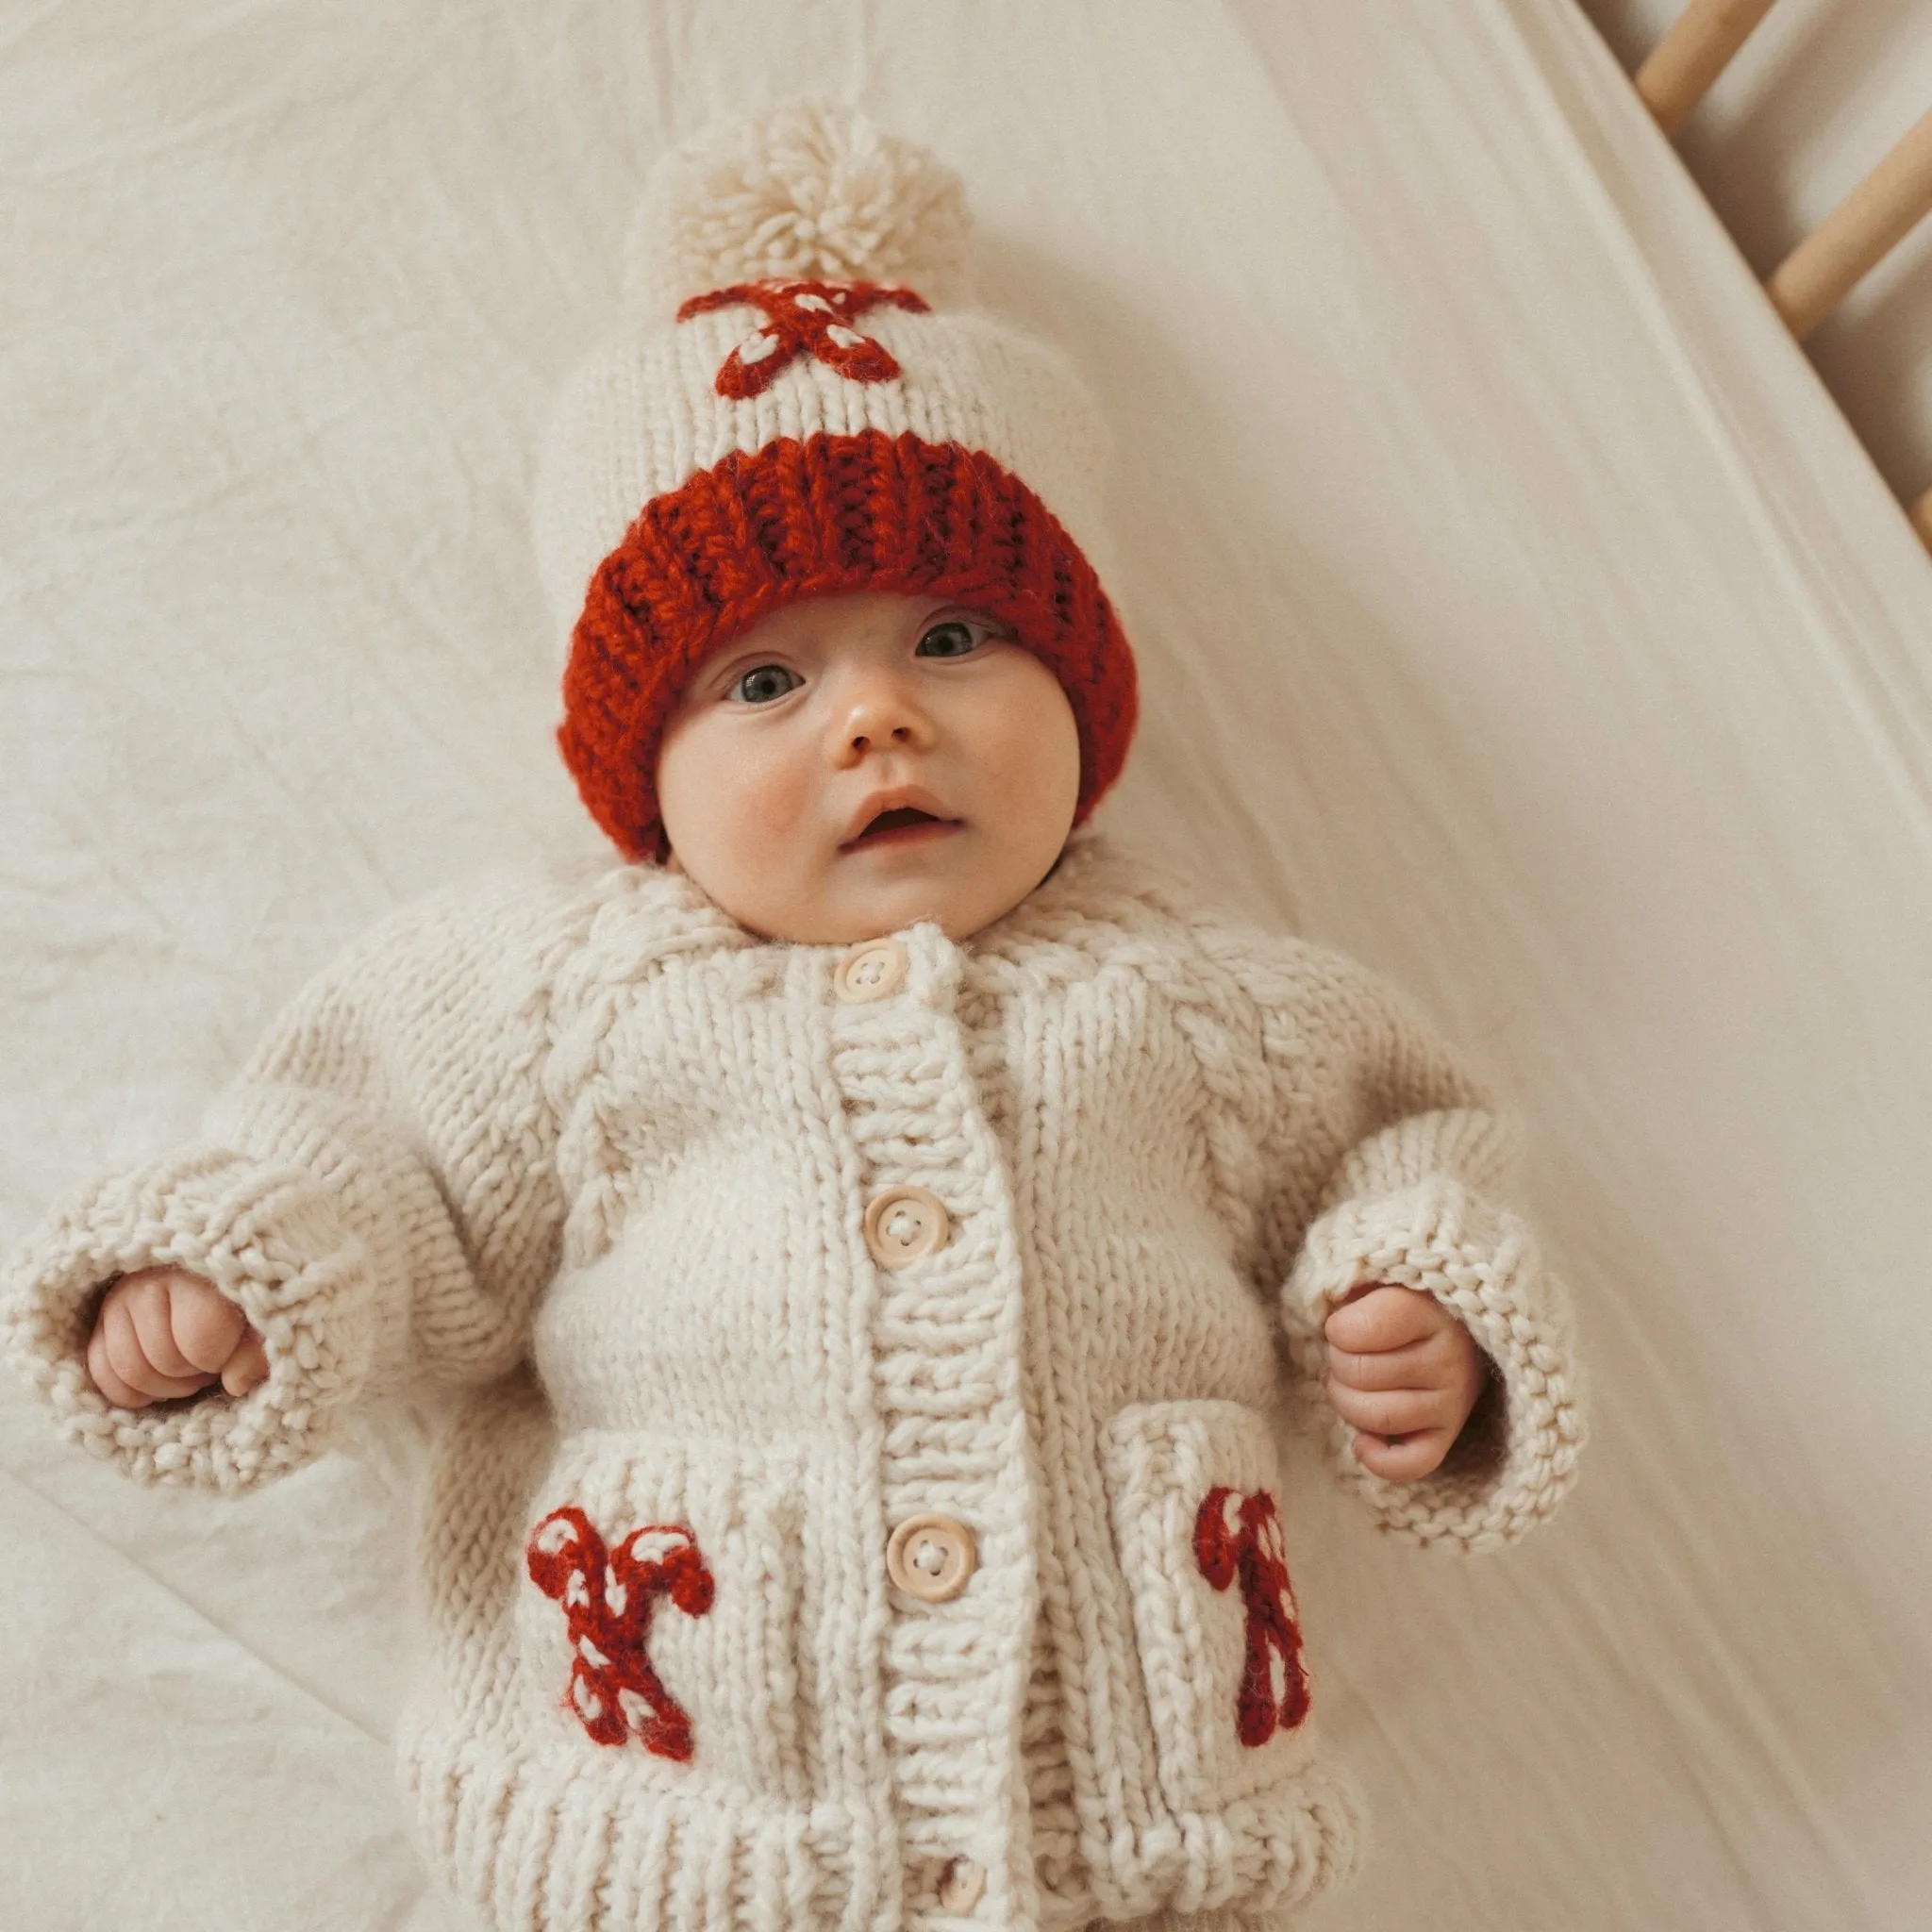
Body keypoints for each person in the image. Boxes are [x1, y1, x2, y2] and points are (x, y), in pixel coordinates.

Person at [2, 104, 1583, 1932]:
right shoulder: (566, 999)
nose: (875, 720)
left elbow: (1408, 1134)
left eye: (953, 639)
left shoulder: (1208, 999)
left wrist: (1420, 1300)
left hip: (1146, 1841)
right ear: (640, 776)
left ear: (1080, 690)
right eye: (765, 676)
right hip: (661, 1845)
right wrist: (242, 1273)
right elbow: (382, 1171)